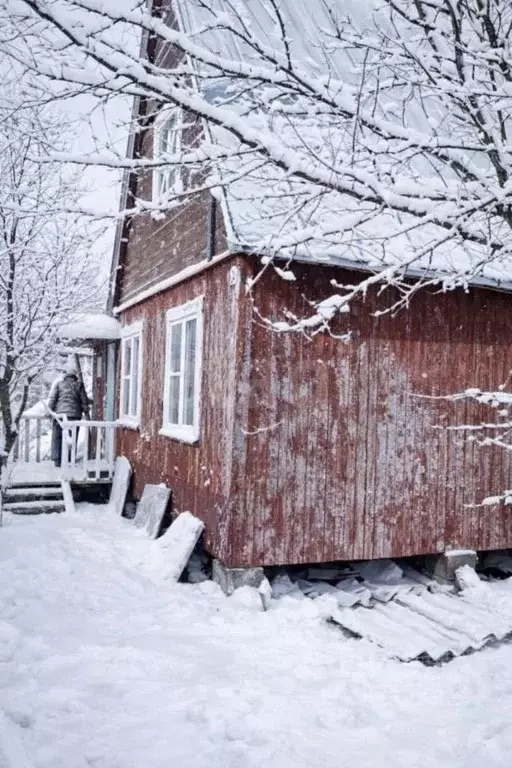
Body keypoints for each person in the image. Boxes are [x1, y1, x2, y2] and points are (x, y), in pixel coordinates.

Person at [48, 361, 90, 467]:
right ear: (75, 375)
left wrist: (49, 411)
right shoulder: (79, 385)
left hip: (60, 415)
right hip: (74, 416)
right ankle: (70, 459)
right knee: (72, 437)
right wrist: (86, 412)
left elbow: (53, 399)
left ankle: (58, 460)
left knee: (58, 436)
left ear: (66, 375)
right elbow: (84, 400)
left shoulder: (59, 384)